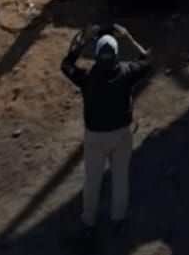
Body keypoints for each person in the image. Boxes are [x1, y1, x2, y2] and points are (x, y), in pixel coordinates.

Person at [62, 23, 152, 232]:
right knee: (120, 178)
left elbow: (66, 64)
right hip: (121, 135)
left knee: (92, 181)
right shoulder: (127, 72)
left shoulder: (86, 79)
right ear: (116, 54)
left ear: (96, 56)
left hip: (95, 138)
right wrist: (128, 36)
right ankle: (118, 218)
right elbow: (147, 60)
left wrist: (83, 41)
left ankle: (88, 220)